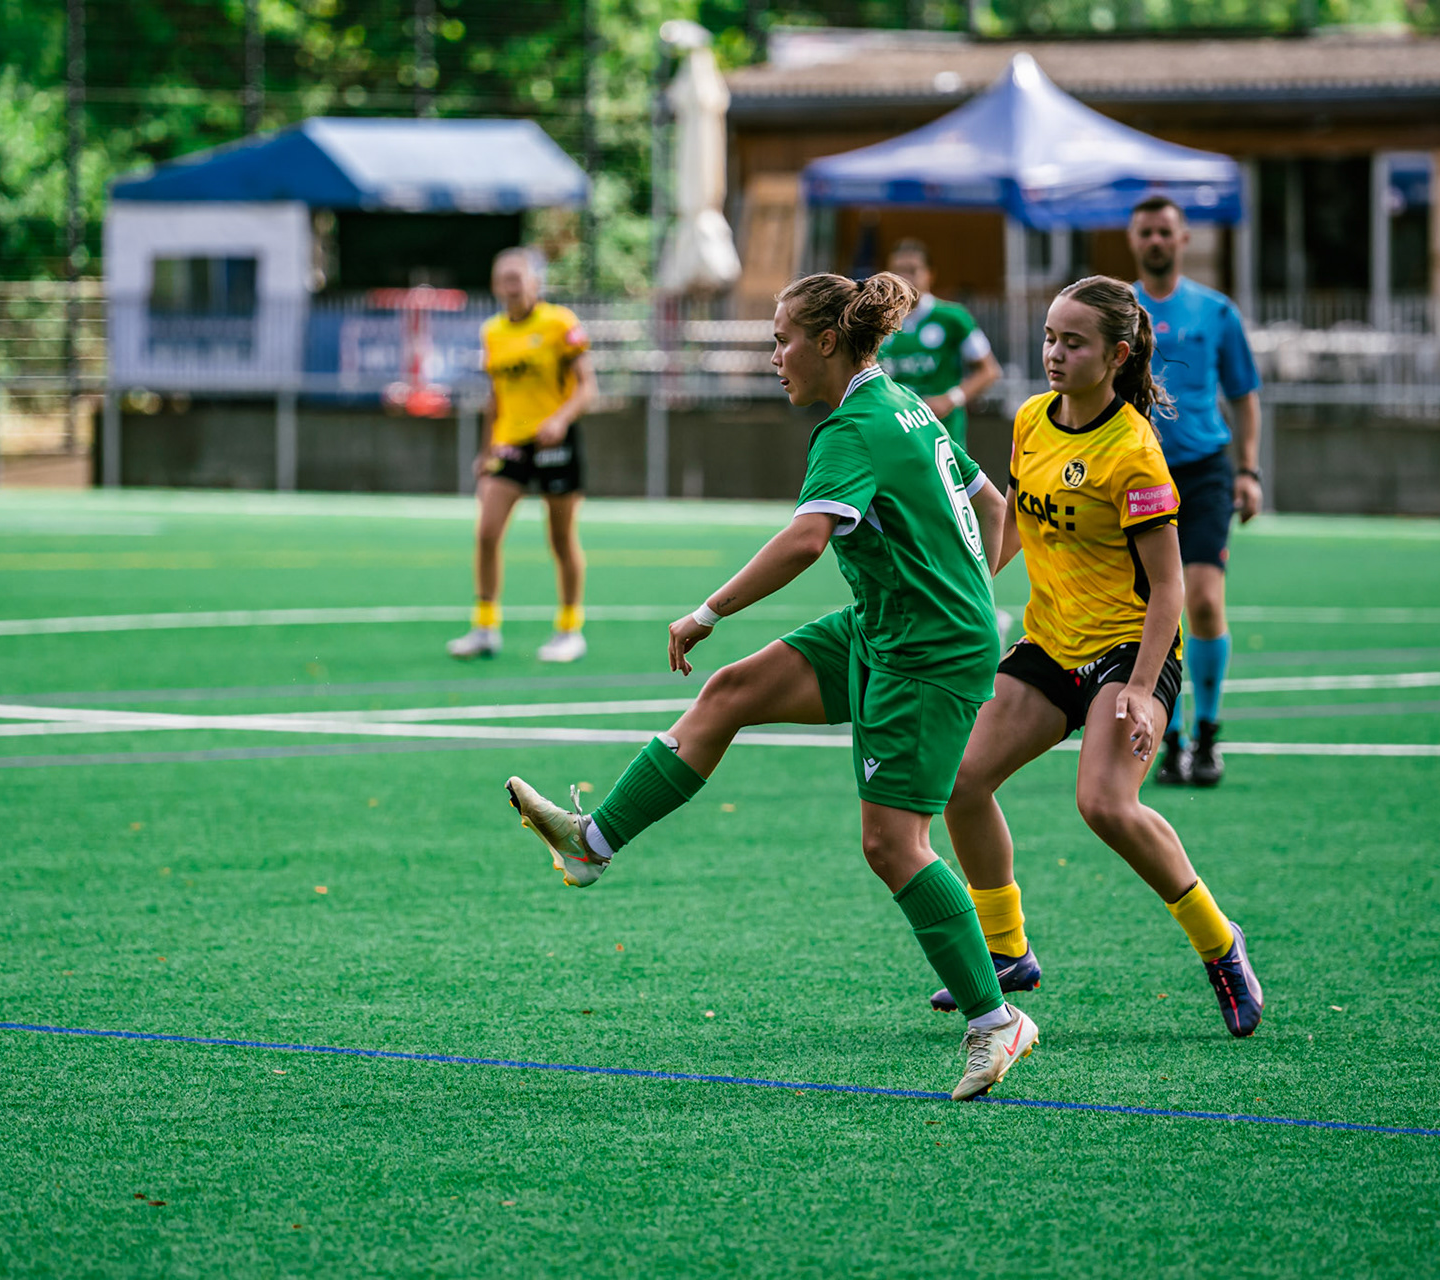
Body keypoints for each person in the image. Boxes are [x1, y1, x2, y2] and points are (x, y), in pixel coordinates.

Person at [504, 272, 1040, 1102]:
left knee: (892, 845)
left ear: (828, 342)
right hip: (889, 624)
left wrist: (707, 609)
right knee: (733, 693)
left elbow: (804, 542)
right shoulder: (899, 403)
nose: (773, 357)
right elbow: (991, 503)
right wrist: (970, 588)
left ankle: (996, 1021)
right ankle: (591, 843)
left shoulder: (854, 427)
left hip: (924, 653)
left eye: (781, 339)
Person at [933, 275, 1263, 1039]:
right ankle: (1008, 952)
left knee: (1106, 806)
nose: (1053, 352)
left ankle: (1220, 944)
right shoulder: (1029, 421)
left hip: (1128, 648)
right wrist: (972, 580)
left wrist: (1145, 691)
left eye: (1072, 342)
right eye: (1049, 336)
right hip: (1050, 644)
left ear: (1116, 355)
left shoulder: (1134, 453)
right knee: (962, 782)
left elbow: (1171, 585)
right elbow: (1017, 518)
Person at [1128, 195, 1263, 787]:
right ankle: (1168, 736)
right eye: (1146, 232)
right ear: (1133, 241)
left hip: (1205, 470)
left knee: (1203, 599)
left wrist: (1249, 469)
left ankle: (1207, 734)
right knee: (1152, 607)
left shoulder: (1216, 312)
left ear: (1182, 239)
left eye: (1165, 231)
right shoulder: (1117, 310)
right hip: (1135, 472)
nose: (1156, 240)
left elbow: (1244, 393)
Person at [447, 248, 599, 664]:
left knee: (560, 538)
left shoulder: (559, 323)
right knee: (487, 532)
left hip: (555, 443)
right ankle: (484, 627)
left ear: (535, 282)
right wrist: (485, 449)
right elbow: (495, 396)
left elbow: (588, 386)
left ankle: (569, 629)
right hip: (510, 443)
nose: (510, 286)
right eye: (503, 278)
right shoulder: (493, 331)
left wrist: (560, 419)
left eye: (518, 277)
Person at [879, 239, 1003, 450]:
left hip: (942, 435)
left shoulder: (953, 318)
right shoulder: (878, 321)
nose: (905, 278)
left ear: (929, 274)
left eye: (912, 270)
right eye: (898, 270)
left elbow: (989, 370)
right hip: (892, 433)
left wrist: (950, 399)